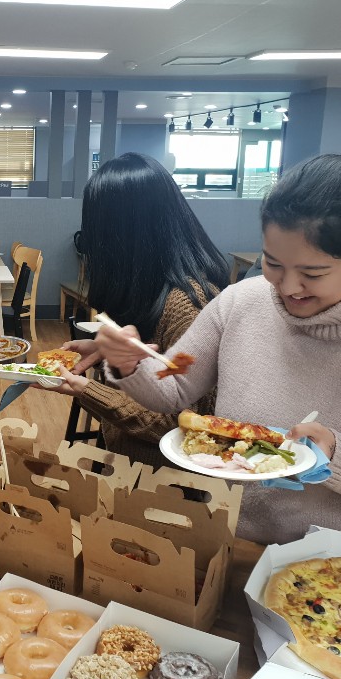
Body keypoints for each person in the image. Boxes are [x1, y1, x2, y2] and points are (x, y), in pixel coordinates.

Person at [92, 154, 341, 545]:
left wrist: (336, 455)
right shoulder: (238, 304)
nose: (287, 287)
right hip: (227, 539)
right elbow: (174, 384)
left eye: (312, 273)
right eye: (272, 263)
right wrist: (130, 365)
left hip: (333, 560)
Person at [44, 152, 229, 466]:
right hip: (128, 468)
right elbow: (153, 369)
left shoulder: (188, 306)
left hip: (165, 485)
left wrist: (87, 390)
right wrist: (107, 352)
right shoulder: (149, 287)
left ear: (122, 233)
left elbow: (185, 425)